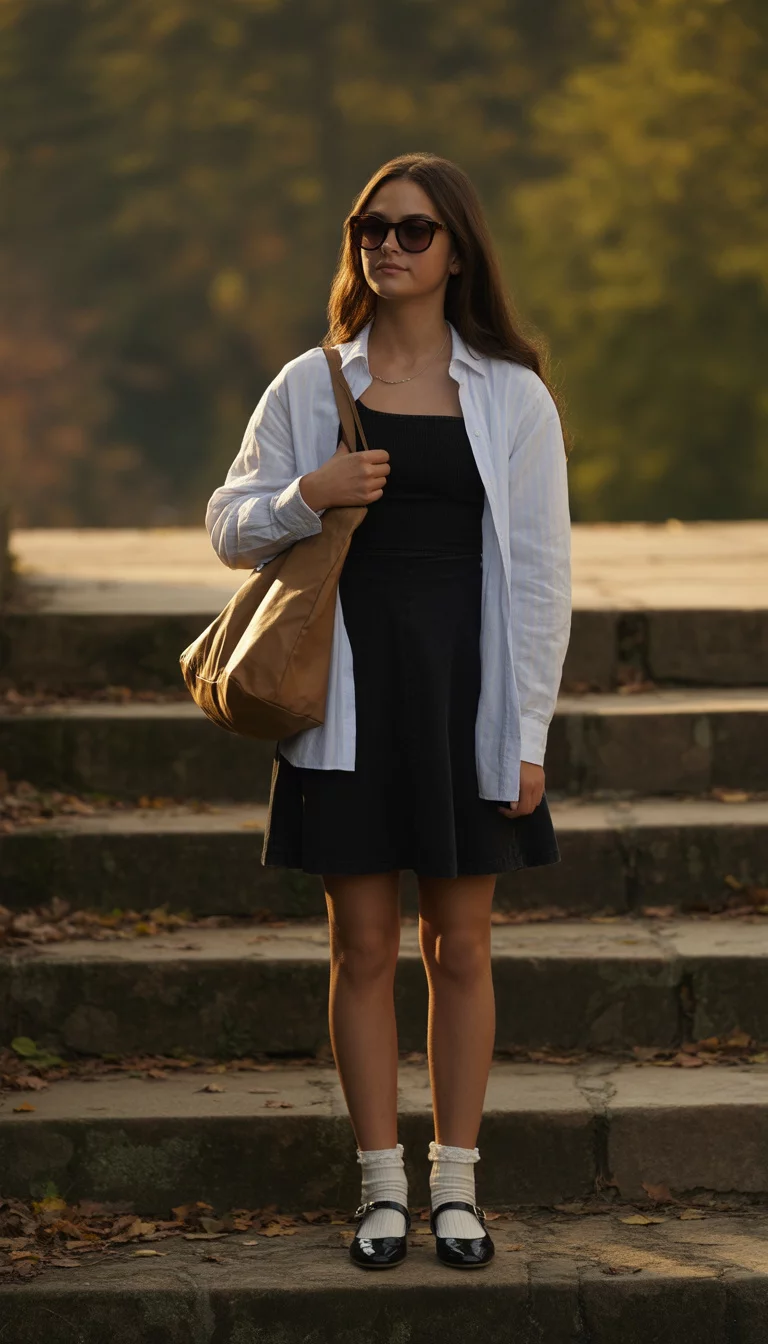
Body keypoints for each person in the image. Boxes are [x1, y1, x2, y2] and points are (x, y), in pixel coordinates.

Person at [206, 152, 572, 1271]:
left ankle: (455, 1188)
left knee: (460, 946)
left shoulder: (512, 393)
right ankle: (380, 1191)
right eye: (373, 227)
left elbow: (542, 574)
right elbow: (228, 525)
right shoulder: (311, 384)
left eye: (415, 231)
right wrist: (304, 495)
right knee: (361, 946)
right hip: (347, 701)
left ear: (457, 250)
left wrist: (528, 736)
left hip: (466, 694)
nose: (391, 247)